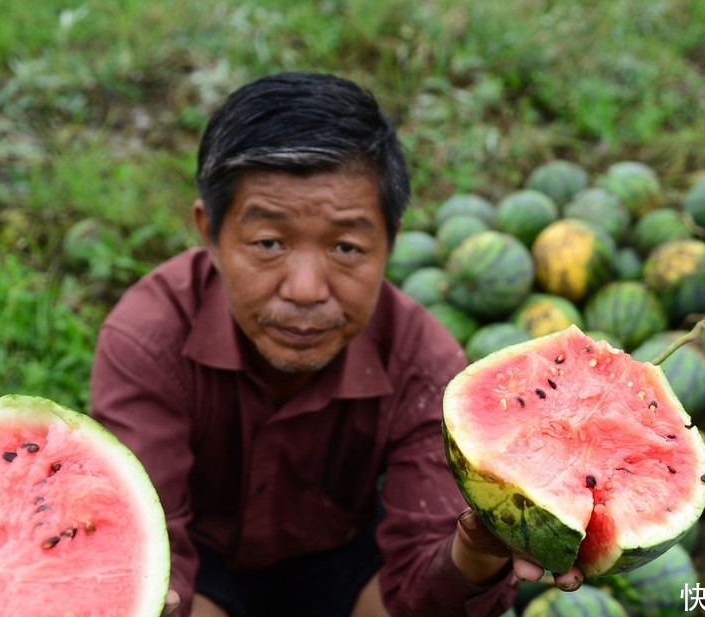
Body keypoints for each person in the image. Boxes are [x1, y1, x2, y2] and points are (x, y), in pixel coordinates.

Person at [88, 71, 583, 617]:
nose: (305, 290)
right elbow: (146, 558)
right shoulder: (147, 341)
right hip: (202, 567)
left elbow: (424, 580)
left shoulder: (424, 363)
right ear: (210, 233)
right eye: (269, 243)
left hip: (350, 566)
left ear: (390, 240)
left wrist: (478, 550)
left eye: (346, 247)